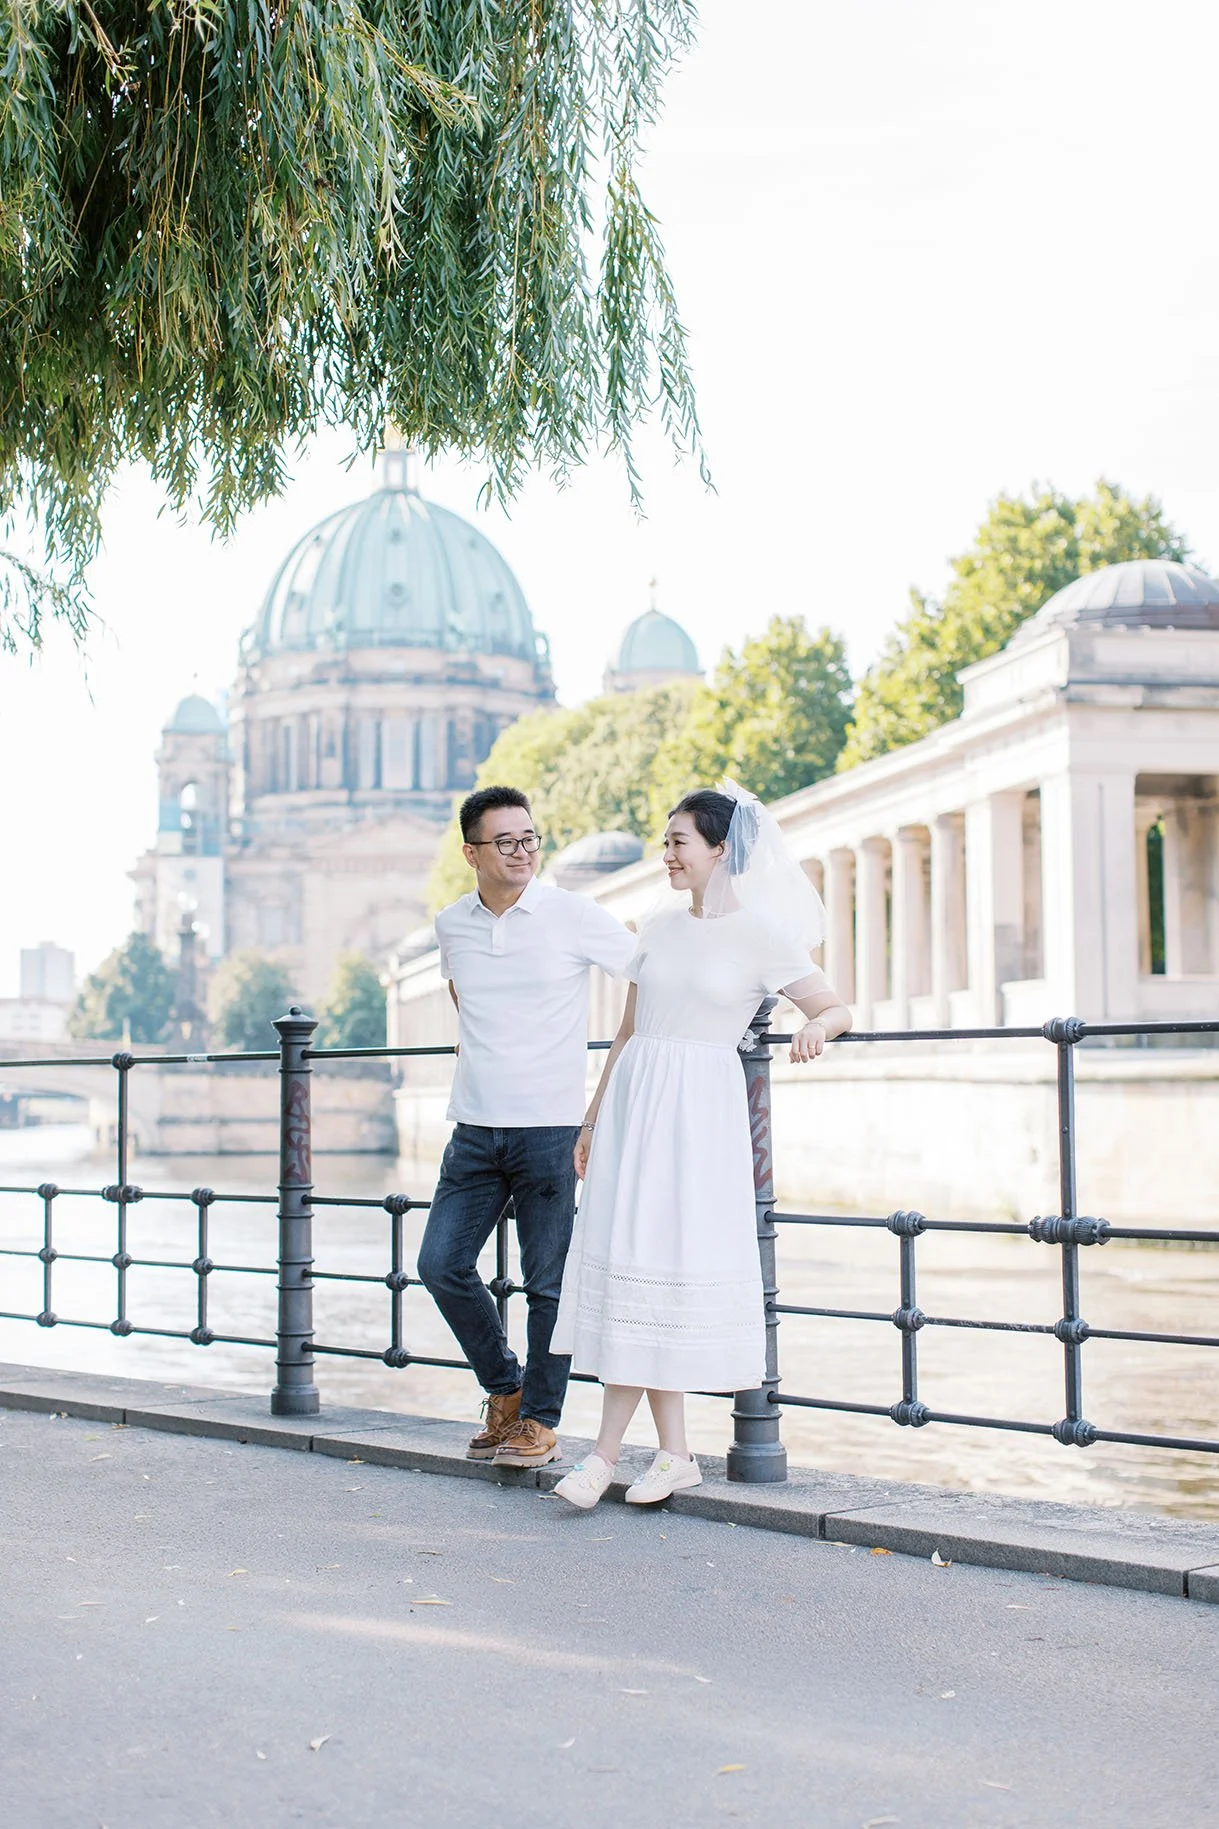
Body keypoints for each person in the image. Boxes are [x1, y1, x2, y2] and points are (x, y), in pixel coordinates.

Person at [551, 781, 853, 1509]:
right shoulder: (656, 925)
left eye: (678, 842)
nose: (666, 855)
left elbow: (834, 1004)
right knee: (634, 1269)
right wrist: (591, 1120)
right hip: (635, 1107)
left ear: (721, 849)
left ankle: (603, 1454)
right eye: (664, 842)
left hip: (698, 1118)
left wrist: (817, 1028)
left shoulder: (761, 936)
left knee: (664, 1267)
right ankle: (672, 1453)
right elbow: (627, 1030)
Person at [419, 785, 636, 1470]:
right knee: (439, 1263)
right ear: (471, 852)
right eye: (505, 842)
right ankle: (504, 1390)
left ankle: (540, 1421)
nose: (521, 852)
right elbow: (462, 992)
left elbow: (647, 971)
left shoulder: (571, 914)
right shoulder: (451, 924)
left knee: (548, 1282)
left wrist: (603, 1096)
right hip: (474, 1128)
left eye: (529, 838)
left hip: (548, 1127)